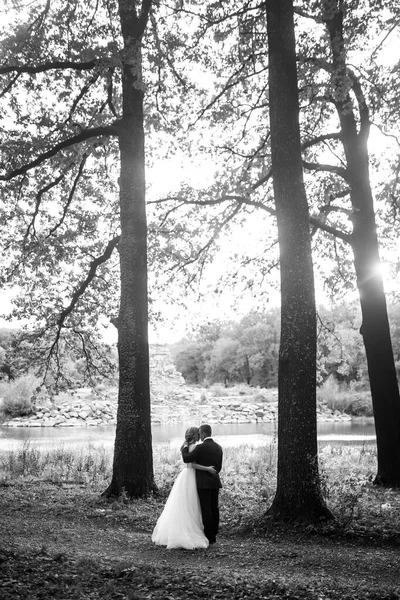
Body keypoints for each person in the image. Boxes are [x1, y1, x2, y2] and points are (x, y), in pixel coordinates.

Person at [151, 426, 216, 550]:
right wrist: (207, 468)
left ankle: (181, 529)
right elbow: (192, 465)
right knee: (192, 504)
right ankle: (192, 530)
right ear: (196, 435)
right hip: (191, 476)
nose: (200, 436)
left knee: (184, 503)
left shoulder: (185, 447)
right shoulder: (195, 447)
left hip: (185, 476)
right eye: (198, 434)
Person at [181, 423, 223, 545]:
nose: (199, 435)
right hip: (215, 481)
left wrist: (185, 446)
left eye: (200, 433)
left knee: (206, 509)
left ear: (203, 434)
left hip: (203, 483)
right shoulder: (218, 447)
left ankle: (209, 536)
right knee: (214, 508)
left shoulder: (200, 448)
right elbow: (219, 467)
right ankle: (214, 534)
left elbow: (187, 459)